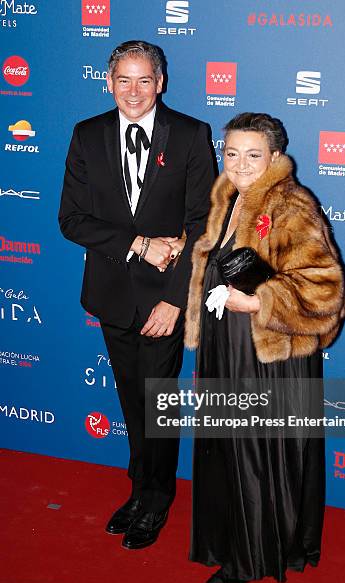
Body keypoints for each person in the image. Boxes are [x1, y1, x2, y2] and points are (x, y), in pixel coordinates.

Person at [59, 41, 215, 550]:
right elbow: (72, 220)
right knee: (132, 399)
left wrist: (174, 300)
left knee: (159, 401)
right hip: (111, 294)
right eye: (123, 80)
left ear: (160, 82)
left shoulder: (192, 135)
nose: (133, 91)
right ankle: (139, 489)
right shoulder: (88, 134)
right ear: (109, 83)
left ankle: (156, 500)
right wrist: (140, 244)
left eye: (144, 79)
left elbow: (202, 226)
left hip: (163, 300)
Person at [184, 112, 345, 583]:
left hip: (269, 357)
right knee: (227, 450)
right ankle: (227, 541)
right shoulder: (227, 197)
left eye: (253, 154)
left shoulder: (291, 204)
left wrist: (257, 302)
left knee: (255, 455)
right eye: (231, 152)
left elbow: (325, 290)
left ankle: (252, 556)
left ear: (275, 156)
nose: (239, 163)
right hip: (226, 346)